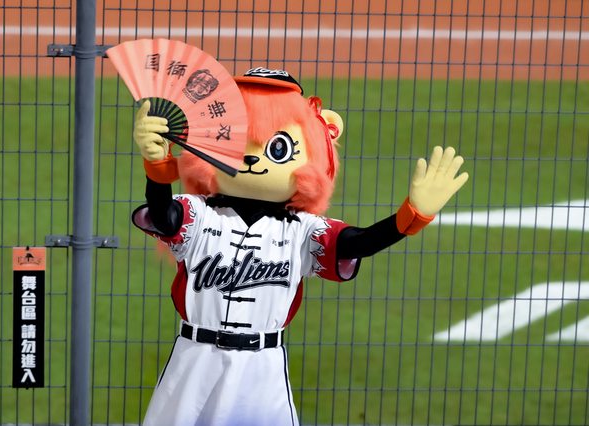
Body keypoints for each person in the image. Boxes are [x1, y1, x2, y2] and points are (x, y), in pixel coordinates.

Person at [131, 67, 469, 426]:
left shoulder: (301, 232)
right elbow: (164, 217)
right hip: (195, 362)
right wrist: (156, 167)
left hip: (261, 368)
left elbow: (359, 243)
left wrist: (410, 216)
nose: (252, 158)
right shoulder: (199, 215)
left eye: (276, 148)